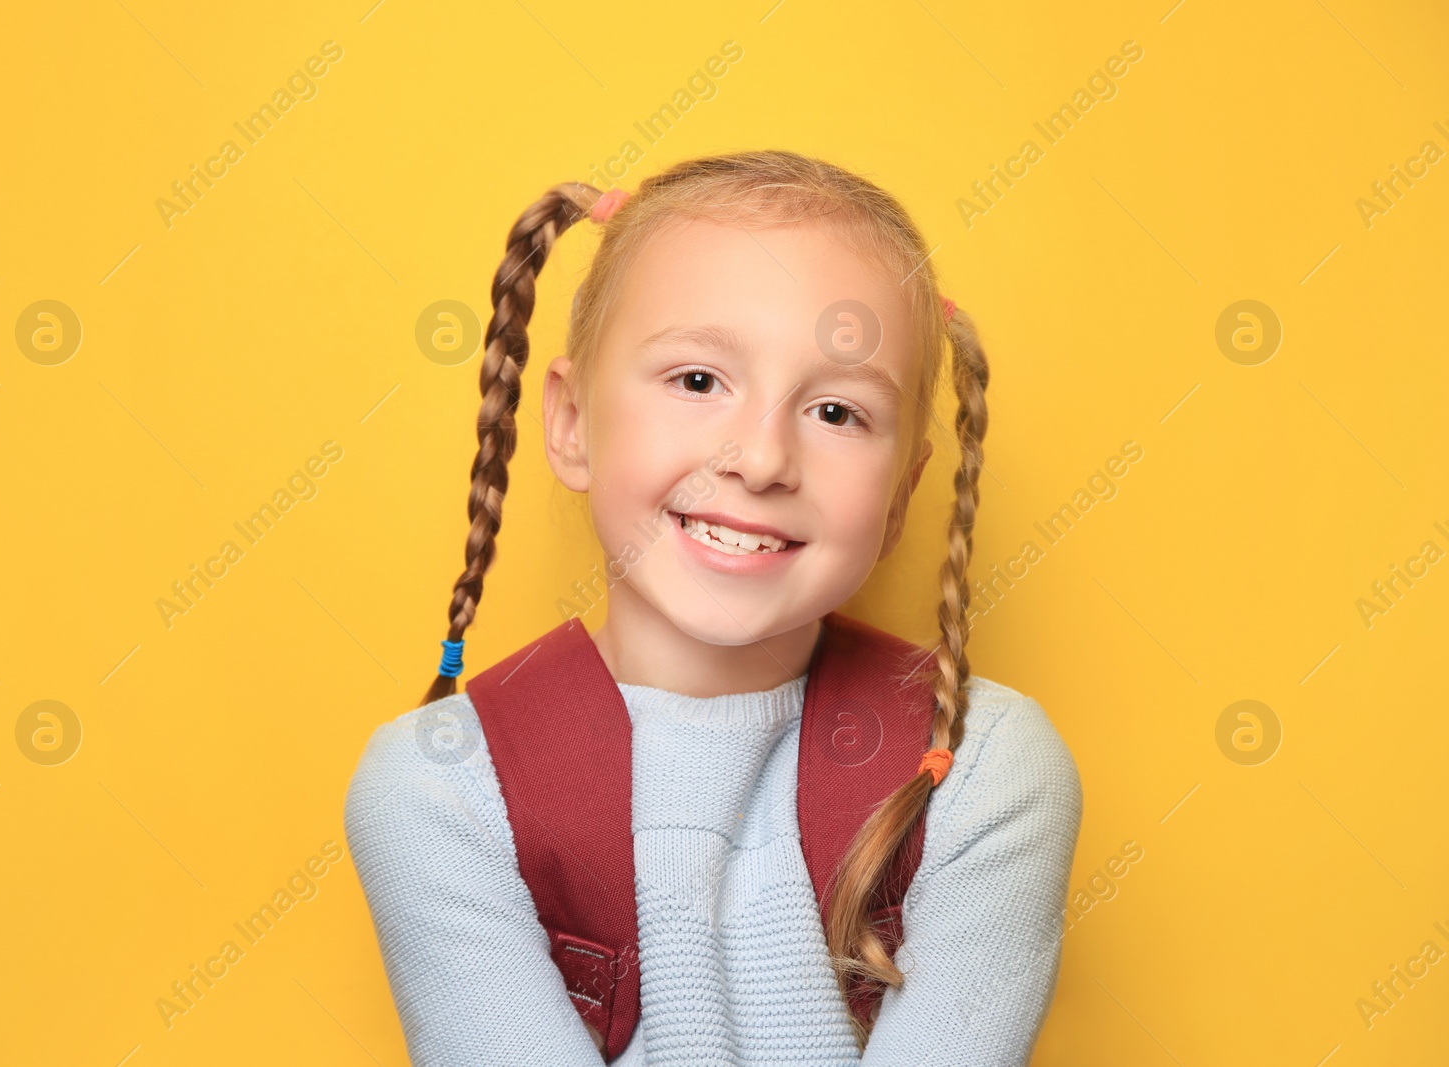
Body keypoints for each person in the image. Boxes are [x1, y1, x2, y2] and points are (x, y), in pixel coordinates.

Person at [345, 150, 1082, 1065]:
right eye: (698, 381)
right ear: (571, 424)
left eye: (838, 412)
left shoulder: (980, 768)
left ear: (900, 498)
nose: (761, 458)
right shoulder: (442, 786)